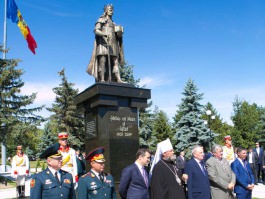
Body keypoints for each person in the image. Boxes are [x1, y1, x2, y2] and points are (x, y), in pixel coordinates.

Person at [87, 4, 125, 83]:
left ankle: (118, 79)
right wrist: (104, 34)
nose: (111, 11)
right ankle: (102, 79)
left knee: (115, 61)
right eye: (110, 9)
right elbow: (96, 30)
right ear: (106, 10)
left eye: (112, 10)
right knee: (103, 60)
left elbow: (118, 36)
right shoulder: (101, 19)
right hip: (103, 43)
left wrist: (120, 33)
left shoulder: (114, 24)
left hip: (113, 43)